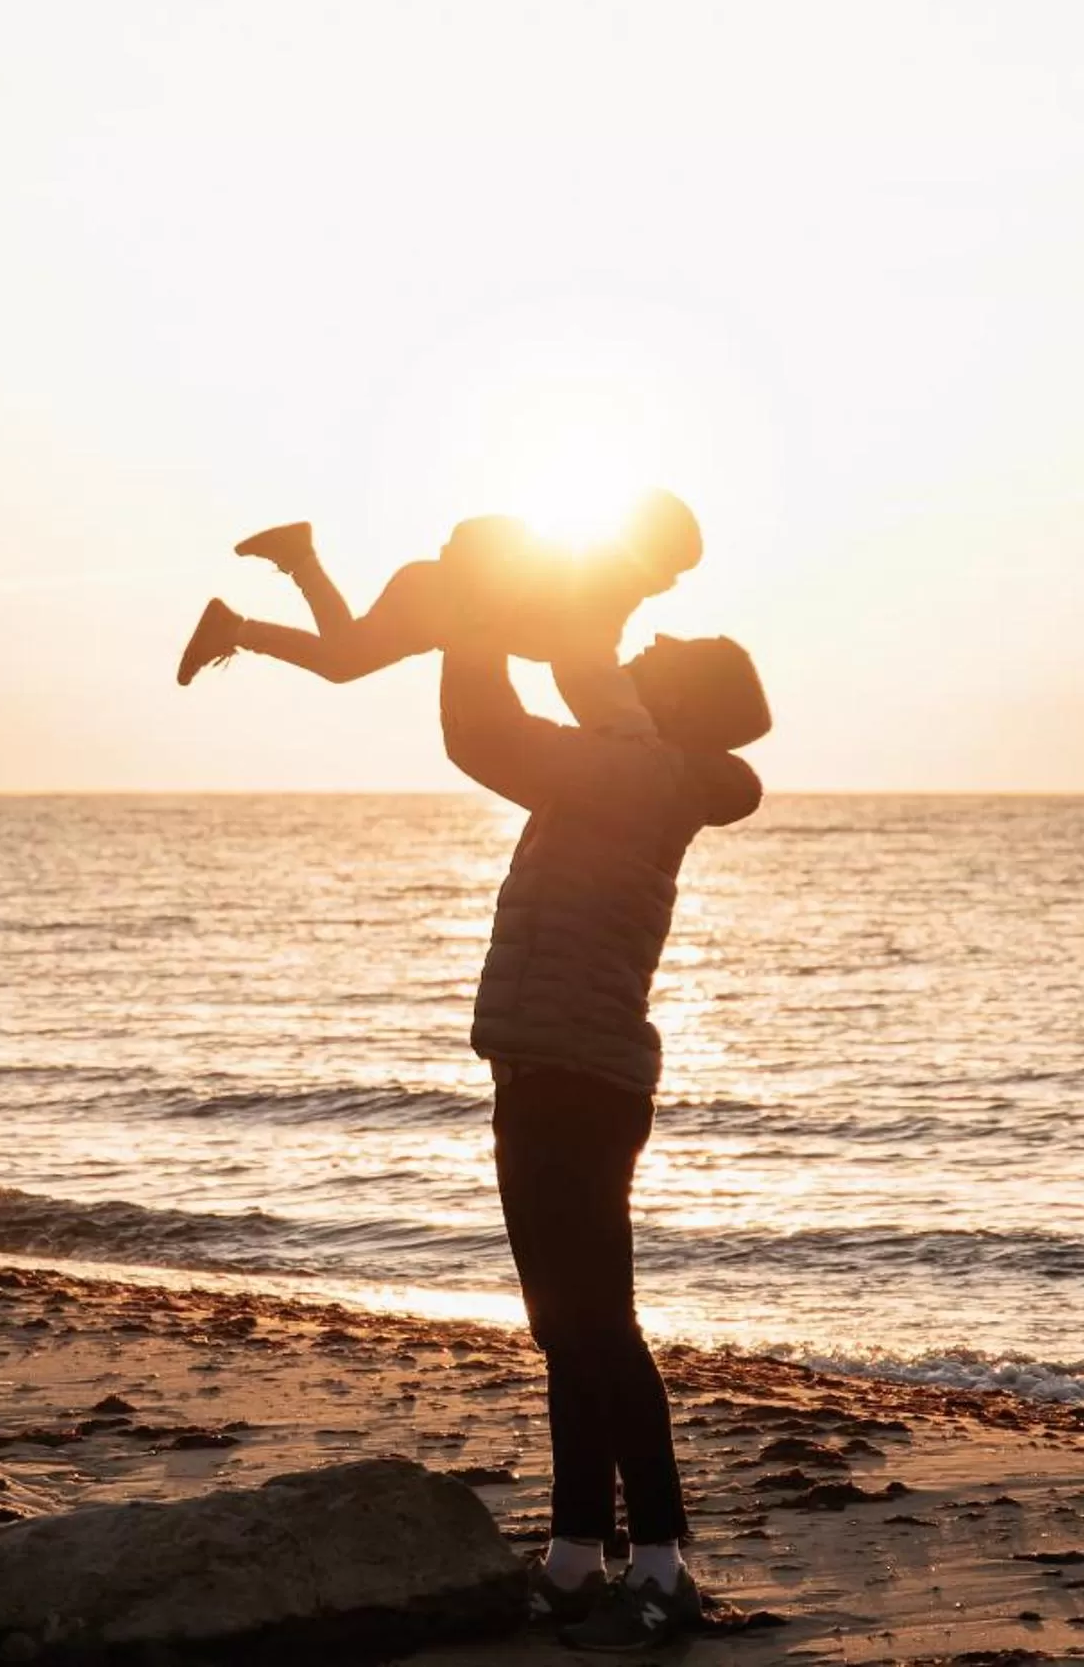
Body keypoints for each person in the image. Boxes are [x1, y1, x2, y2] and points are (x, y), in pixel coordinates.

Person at [440, 619, 767, 1650]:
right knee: (563, 1330)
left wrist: (491, 613)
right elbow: (515, 713)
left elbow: (547, 690)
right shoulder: (610, 772)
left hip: (577, 1083)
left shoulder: (639, 775)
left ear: (668, 706)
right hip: (538, 1070)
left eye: (655, 661)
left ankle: (663, 1564)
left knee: (599, 1328)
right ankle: (577, 1555)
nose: (635, 659)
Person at [175, 489, 705, 736]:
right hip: (437, 598)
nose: (671, 583)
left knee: (344, 657)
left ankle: (285, 571)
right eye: (673, 567)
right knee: (344, 659)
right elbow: (581, 671)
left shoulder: (606, 584)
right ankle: (269, 590)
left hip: (434, 594)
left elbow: (583, 666)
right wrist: (629, 731)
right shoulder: (601, 583)